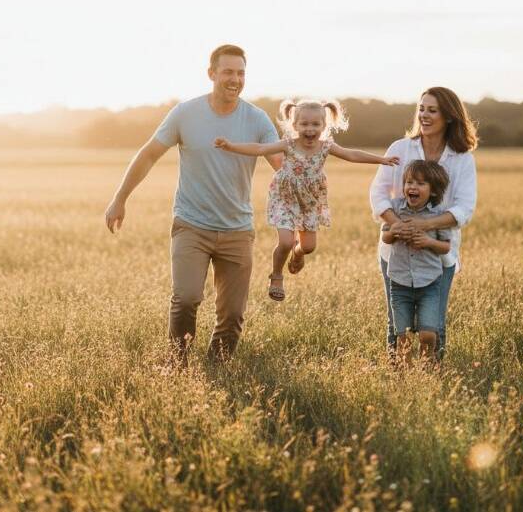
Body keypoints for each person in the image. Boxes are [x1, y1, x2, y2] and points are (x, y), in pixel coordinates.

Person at [104, 44, 282, 366]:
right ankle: (178, 364)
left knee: (232, 315)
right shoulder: (185, 114)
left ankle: (216, 369)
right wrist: (120, 198)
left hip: (237, 230)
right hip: (191, 225)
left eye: (241, 73)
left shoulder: (256, 119)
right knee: (186, 298)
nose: (235, 79)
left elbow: (281, 165)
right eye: (228, 72)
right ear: (211, 73)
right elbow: (149, 154)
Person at [214, 99, 399, 301]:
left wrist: (381, 159)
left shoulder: (326, 147)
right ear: (294, 125)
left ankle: (298, 253)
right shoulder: (288, 145)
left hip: (310, 202)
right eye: (304, 124)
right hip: (285, 198)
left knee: (309, 247)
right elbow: (259, 149)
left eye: (315, 124)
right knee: (285, 241)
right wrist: (231, 146)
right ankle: (276, 276)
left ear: (324, 126)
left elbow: (352, 155)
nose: (310, 129)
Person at [369, 87, 478, 360]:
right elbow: (378, 193)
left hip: (439, 254)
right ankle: (399, 376)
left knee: (434, 324)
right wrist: (399, 225)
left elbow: (464, 208)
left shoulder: (462, 158)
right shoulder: (400, 148)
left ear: (449, 116)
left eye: (432, 110)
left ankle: (433, 377)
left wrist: (424, 225)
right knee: (398, 324)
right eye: (421, 109)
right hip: (396, 252)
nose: (424, 115)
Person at [381, 160, 451, 365]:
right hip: (399, 282)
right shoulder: (395, 208)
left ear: (433, 191)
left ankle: (427, 366)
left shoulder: (439, 215)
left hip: (429, 283)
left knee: (428, 333)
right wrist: (394, 231)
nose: (413, 187)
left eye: (421, 183)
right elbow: (385, 237)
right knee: (403, 336)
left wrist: (428, 242)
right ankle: (405, 374)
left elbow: (446, 247)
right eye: (409, 182)